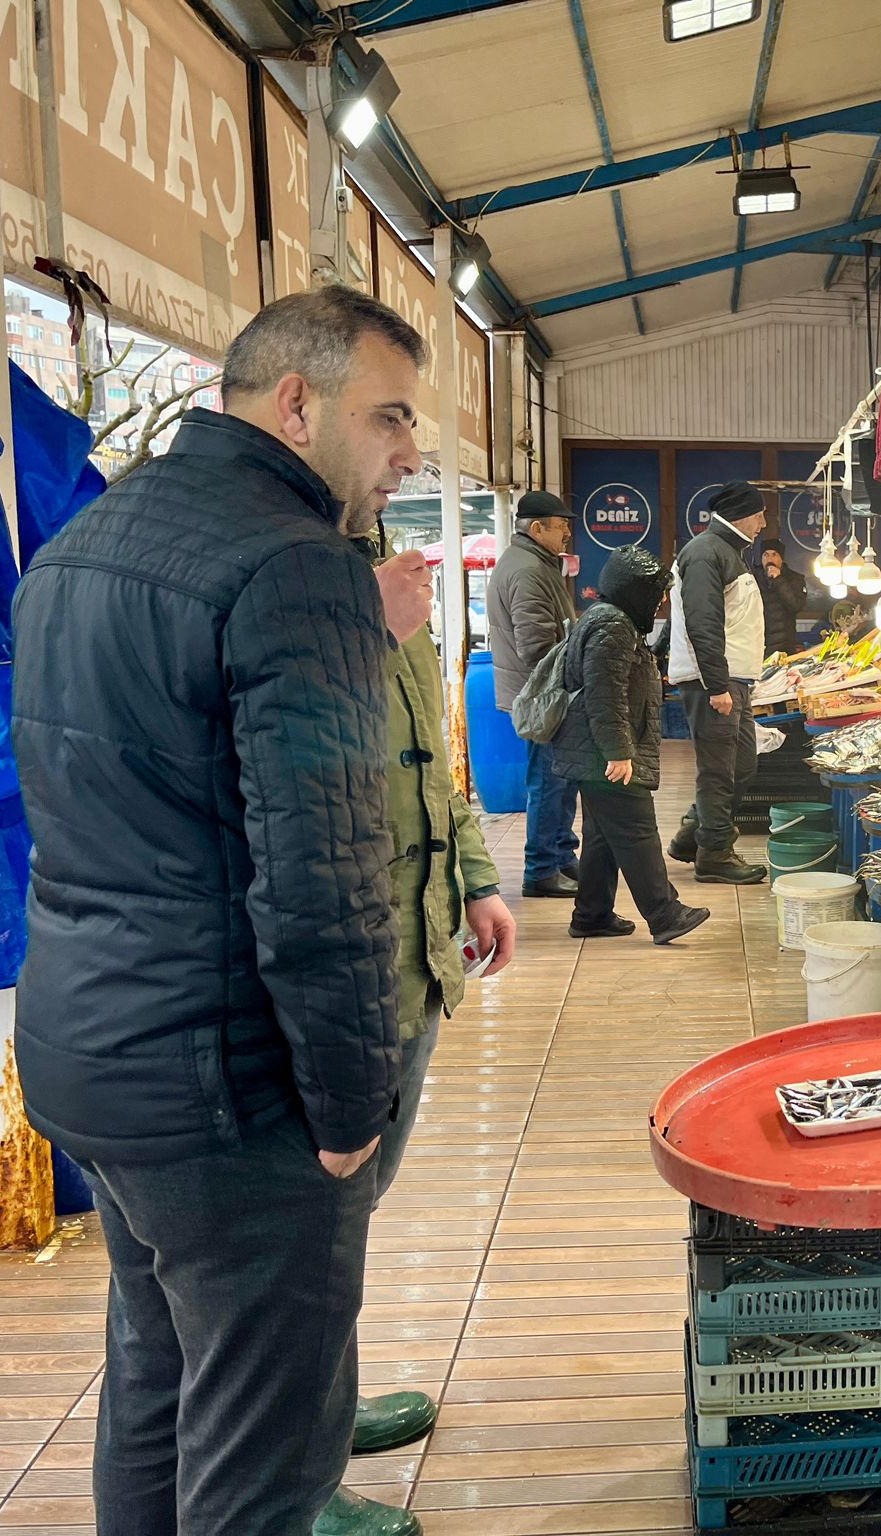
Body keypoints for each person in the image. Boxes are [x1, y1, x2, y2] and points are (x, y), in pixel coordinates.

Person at [11, 286, 425, 1536]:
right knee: (261, 1447)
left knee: (157, 1378)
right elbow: (323, 875)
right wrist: (353, 1102)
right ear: (295, 405)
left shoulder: (81, 543)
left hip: (96, 1060)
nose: (407, 453)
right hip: (227, 1084)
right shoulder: (296, 566)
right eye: (388, 417)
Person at [313, 510, 518, 1534]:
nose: (404, 451)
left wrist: (476, 878)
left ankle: (324, 1409)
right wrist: (360, 635)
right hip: (331, 970)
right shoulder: (282, 587)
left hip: (413, 954)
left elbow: (431, 759)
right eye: (390, 420)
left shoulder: (391, 583)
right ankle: (293, 1482)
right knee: (305, 1228)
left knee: (350, 1212)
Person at [551, 547, 711, 945]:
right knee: (637, 829)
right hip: (604, 753)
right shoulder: (613, 626)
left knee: (603, 835)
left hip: (595, 752)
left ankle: (592, 914)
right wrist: (618, 753)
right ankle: (665, 913)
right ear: (633, 590)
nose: (658, 601)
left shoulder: (611, 620)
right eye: (654, 592)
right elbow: (603, 695)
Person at [667, 481, 769, 884]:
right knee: (718, 771)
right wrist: (717, 686)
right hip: (714, 681)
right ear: (742, 514)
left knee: (741, 765)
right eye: (760, 513)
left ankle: (693, 835)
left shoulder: (729, 552)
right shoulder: (706, 552)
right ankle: (715, 853)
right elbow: (702, 623)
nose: (764, 522)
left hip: (735, 679)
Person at [486, 491, 580, 898]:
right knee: (549, 781)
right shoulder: (527, 570)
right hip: (542, 694)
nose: (567, 536)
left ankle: (561, 855)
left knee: (561, 776)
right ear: (536, 528)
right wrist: (578, 662)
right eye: (561, 527)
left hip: (544, 690)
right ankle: (541, 870)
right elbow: (537, 645)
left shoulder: (536, 563)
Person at [755, 538, 809, 656]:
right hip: (758, 645)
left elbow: (796, 606)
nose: (770, 559)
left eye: (774, 555)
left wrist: (779, 580)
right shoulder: (753, 579)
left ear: (781, 558)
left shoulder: (795, 579)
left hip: (785, 646)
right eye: (766, 555)